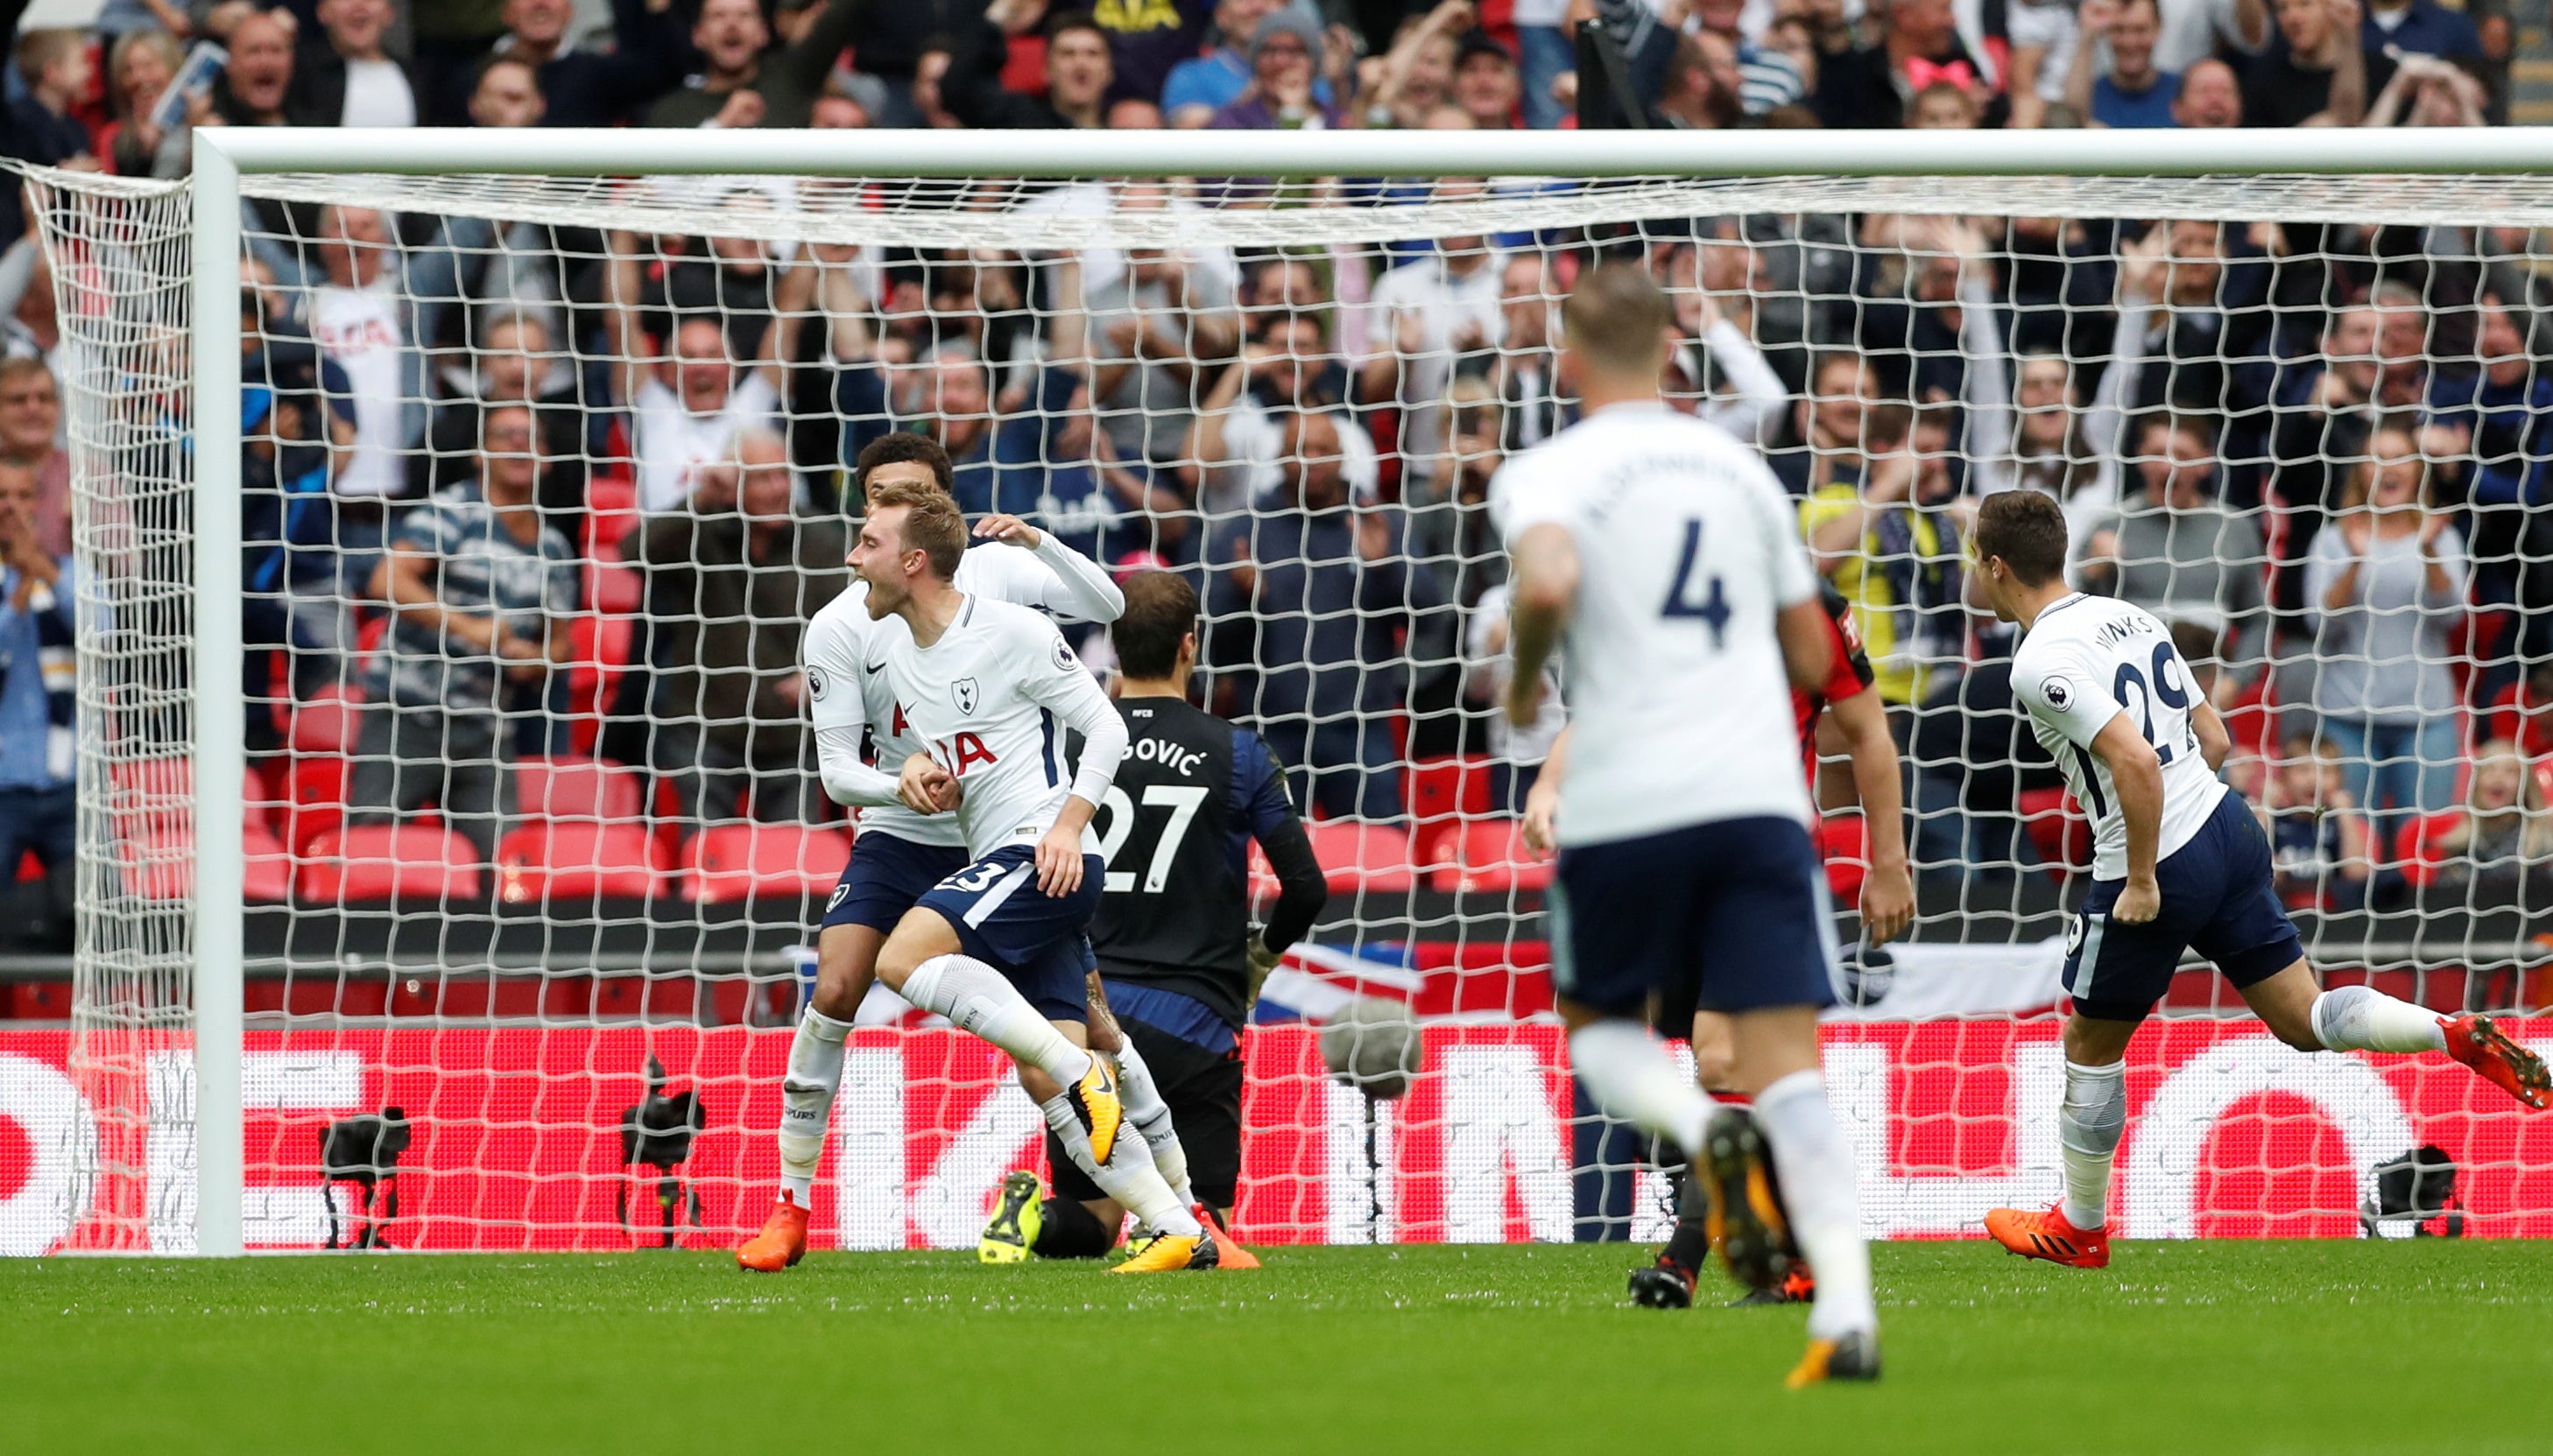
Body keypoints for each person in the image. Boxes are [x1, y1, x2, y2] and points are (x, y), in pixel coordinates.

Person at [1966, 489, 2546, 1274]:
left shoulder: (2038, 659)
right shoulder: (2131, 616)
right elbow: (2212, 734)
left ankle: (2079, 1225)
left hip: (2156, 858)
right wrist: (2192, 825)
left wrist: (2144, 875)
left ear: (1995, 566)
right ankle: (2443, 1031)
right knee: (2303, 1016)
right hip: (2229, 827)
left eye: (1973, 557)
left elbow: (2135, 761)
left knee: (2088, 1044)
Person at [1492, 263, 1879, 1386]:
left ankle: (1704, 1142)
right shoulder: (1739, 470)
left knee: (1607, 1038)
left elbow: (1553, 579)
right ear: (1672, 349)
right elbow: (1814, 656)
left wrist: (1525, 683)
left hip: (1634, 800)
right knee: (1788, 1067)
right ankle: (1845, 1317)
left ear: (1566, 356)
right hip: (1761, 802)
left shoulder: (1548, 470)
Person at [736, 434, 1136, 1271]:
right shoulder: (840, 624)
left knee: (1087, 1030)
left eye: (909, 493)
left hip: (1005, 837)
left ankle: (1178, 1212)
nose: (888, 508)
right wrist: (902, 779)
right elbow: (840, 771)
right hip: (900, 834)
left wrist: (1039, 539)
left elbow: (1107, 608)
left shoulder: (992, 578)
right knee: (839, 977)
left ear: (937, 515)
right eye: (877, 495)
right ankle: (791, 1203)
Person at [850, 482, 1225, 1272]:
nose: (854, 558)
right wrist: (918, 770)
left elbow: (1104, 724)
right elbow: (943, 748)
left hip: (1042, 853)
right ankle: (1177, 1226)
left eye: (868, 543)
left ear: (914, 562)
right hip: (1007, 858)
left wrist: (1066, 823)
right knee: (1056, 1070)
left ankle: (1084, 1084)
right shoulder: (889, 649)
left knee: (899, 960)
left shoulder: (1011, 629)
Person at [1579, 573, 1916, 1313]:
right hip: (1669, 865)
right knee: (1723, 1069)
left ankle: (1686, 1260)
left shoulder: (1805, 605)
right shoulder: (1653, 594)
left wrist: (1887, 863)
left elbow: (1866, 731)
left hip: (1765, 865)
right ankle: (1787, 1254)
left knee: (1730, 1058)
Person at [977, 571, 1328, 1265]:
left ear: (1110, 642)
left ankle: (1028, 1218)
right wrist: (1259, 957)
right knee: (1204, 1228)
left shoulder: (1066, 747)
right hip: (1191, 1020)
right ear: (1189, 647)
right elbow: (1306, 888)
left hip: (1083, 1014)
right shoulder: (1237, 753)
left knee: (1090, 1218)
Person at [349, 404, 578, 862]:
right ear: (481, 453)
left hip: (485, 726)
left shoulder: (553, 547)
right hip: (407, 714)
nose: (518, 444)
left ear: (546, 458)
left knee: (506, 860)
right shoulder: (454, 510)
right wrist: (469, 627)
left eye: (529, 436)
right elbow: (386, 581)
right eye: (505, 435)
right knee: (369, 852)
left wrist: (532, 660)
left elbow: (561, 642)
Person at [627, 428, 846, 826]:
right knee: (703, 863)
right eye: (763, 477)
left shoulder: (821, 539)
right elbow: (633, 554)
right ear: (735, 484)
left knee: (795, 866)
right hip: (704, 730)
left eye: (784, 475)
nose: (778, 488)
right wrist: (701, 499)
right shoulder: (700, 529)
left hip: (791, 737)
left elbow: (855, 621)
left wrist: (821, 671)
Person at [2303, 424, 2470, 850]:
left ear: (2416, 471)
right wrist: (2356, 561)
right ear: (2360, 472)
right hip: (2348, 718)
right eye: (2376, 457)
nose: (2387, 468)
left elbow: (2450, 617)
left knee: (2425, 846)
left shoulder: (2443, 537)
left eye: (2399, 457)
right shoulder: (2332, 540)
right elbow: (2320, 625)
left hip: (2425, 720)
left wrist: (2429, 551)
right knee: (2357, 848)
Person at [0, 459, 76, 909]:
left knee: (96, 926)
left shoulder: (72, 576)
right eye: (1, 498)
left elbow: (105, 635)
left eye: (24, 496)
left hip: (68, 787)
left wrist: (43, 571)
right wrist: (21, 587)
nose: (12, 509)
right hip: (2, 791)